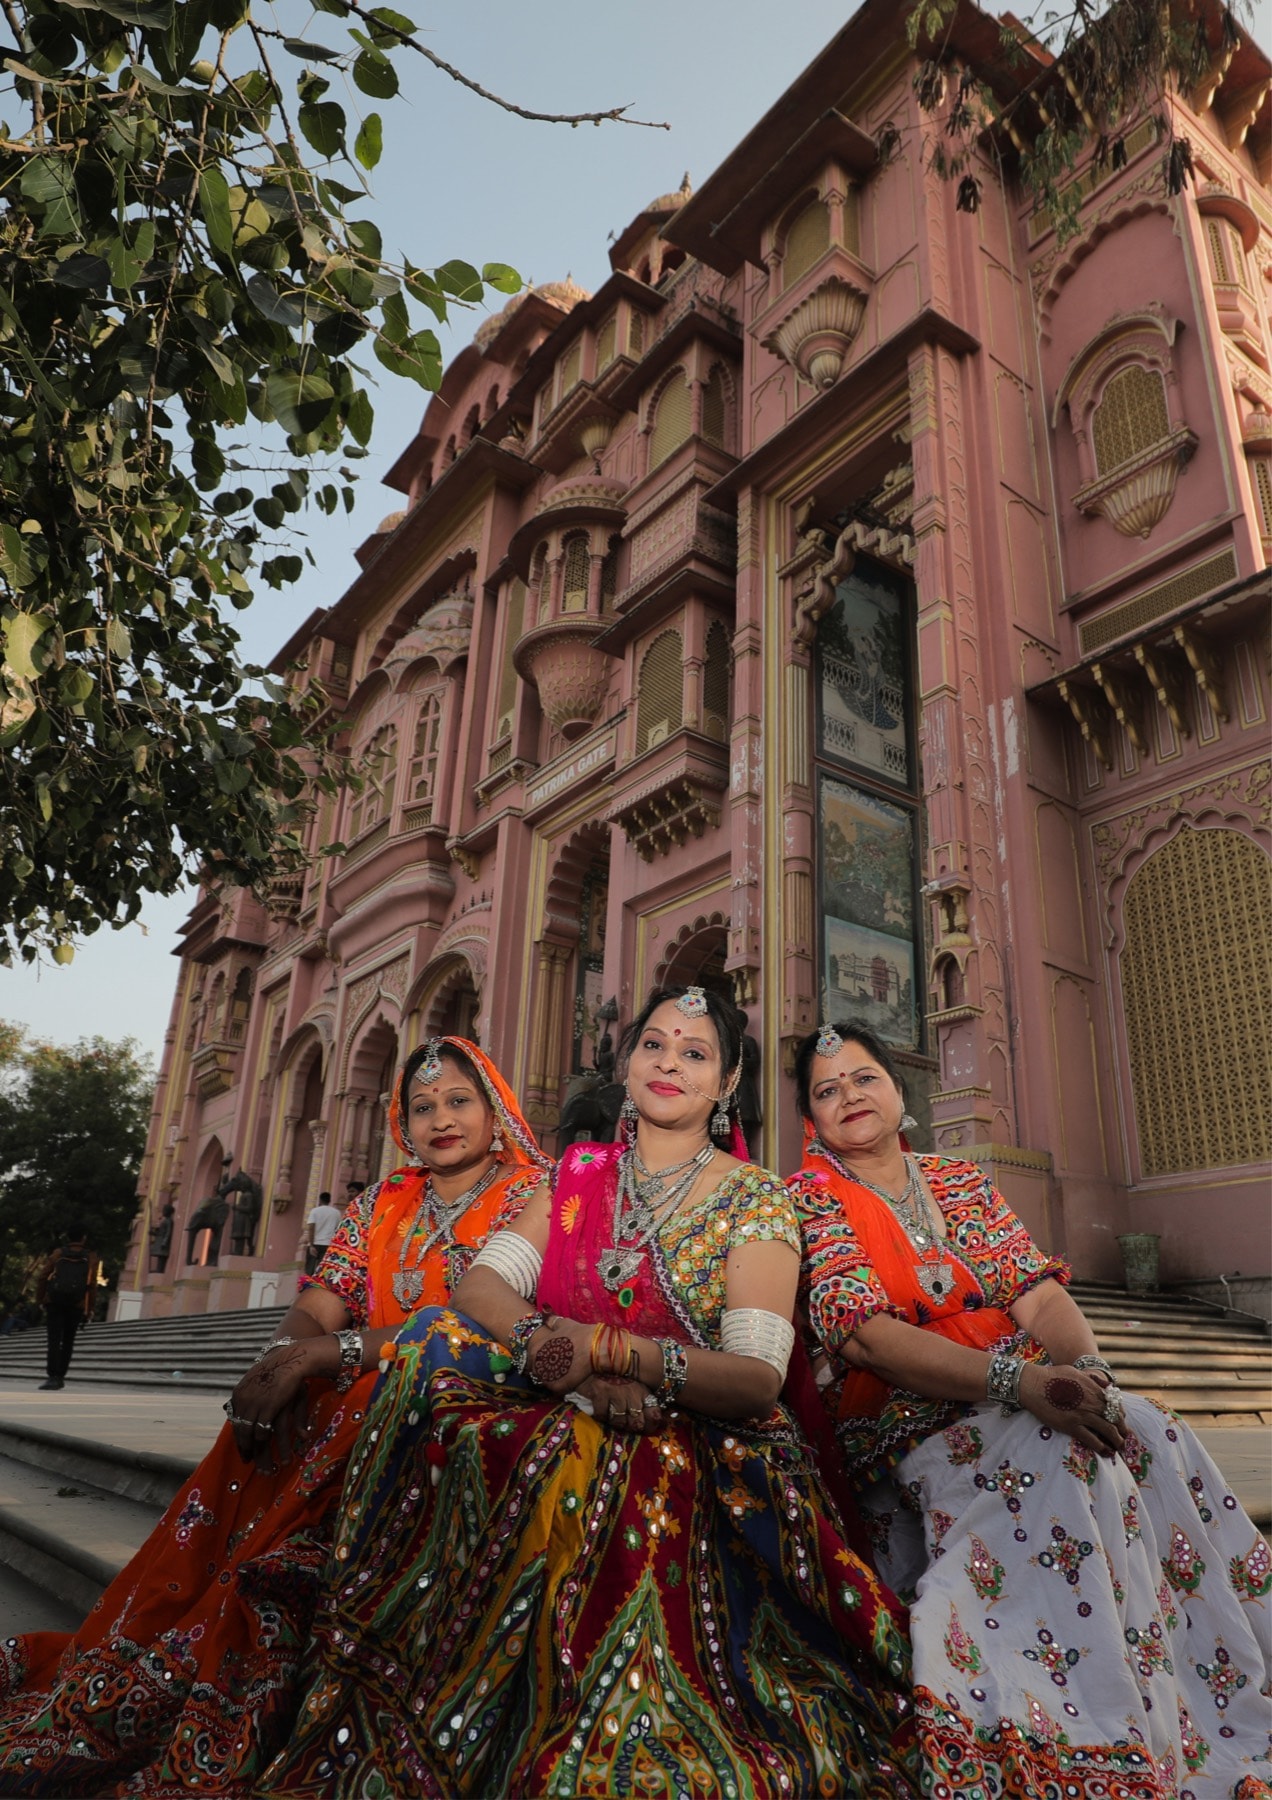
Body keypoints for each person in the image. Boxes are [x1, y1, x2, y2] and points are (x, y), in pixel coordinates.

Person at [258, 986, 917, 1799]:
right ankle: (428, 1711)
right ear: (626, 1061)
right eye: (654, 1045)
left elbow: (751, 1382)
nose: (670, 1061)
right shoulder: (577, 1177)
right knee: (442, 1353)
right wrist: (557, 1357)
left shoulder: (754, 1198)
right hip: (564, 1399)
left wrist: (616, 1356)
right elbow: (483, 1290)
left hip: (706, 1444)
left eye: (695, 1051)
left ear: (728, 1081)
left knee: (572, 1466)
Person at [0, 1037, 551, 1799]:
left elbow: (475, 1323)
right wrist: (284, 1359)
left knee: (353, 1402)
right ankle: (200, 1634)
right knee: (274, 1412)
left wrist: (325, 1357)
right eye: (422, 1107)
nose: (441, 1119)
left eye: (459, 1102)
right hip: (359, 1374)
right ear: (401, 1122)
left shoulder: (536, 1194)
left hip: (466, 1387)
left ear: (496, 1113)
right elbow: (321, 1302)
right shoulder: (383, 1203)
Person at [788, 1018, 1272, 1799]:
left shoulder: (956, 1183)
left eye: (863, 1077)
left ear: (897, 1090)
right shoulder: (811, 1199)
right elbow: (865, 1338)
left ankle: (1195, 1701)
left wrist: (1090, 1373)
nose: (849, 1096)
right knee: (1057, 1453)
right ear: (812, 1119)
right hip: (918, 1420)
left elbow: (1037, 1294)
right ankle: (1082, 1735)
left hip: (1030, 1390)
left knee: (1147, 1428)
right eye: (827, 1090)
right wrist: (1021, 1386)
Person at [35, 1226, 98, 1391]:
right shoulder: (90, 1257)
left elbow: (42, 1276)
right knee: (69, 1341)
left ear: (68, 1238)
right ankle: (60, 1376)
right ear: (83, 1238)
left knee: (54, 1340)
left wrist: (40, 1299)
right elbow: (91, 1286)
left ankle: (52, 1377)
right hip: (76, 1304)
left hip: (54, 1302)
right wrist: (89, 1308)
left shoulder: (58, 1253)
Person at [301, 1189, 342, 1277]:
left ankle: (308, 1288)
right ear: (329, 1200)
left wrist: (311, 1245)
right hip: (328, 1244)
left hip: (315, 1243)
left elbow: (311, 1228)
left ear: (320, 1200)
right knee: (323, 1271)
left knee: (310, 1270)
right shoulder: (336, 1213)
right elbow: (338, 1229)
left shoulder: (314, 1211)